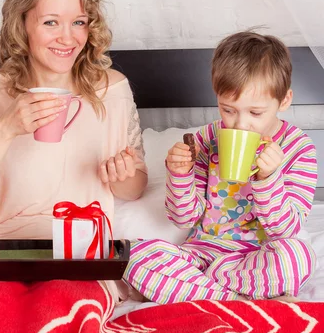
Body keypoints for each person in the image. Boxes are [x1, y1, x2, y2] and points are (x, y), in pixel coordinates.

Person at [0, 0, 147, 239]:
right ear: (21, 24)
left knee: (64, 286)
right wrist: (6, 129)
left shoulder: (112, 88)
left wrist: (121, 176)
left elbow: (134, 189)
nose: (68, 38)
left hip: (81, 251)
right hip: (3, 252)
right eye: (50, 22)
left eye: (79, 22)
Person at [125, 31, 317, 302]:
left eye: (255, 113)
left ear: (284, 100)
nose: (240, 124)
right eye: (228, 110)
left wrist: (268, 178)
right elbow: (184, 219)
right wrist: (179, 175)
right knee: (131, 255)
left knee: (297, 257)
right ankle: (237, 301)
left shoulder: (299, 148)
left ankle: (199, 291)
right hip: (201, 254)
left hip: (257, 258)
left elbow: (286, 230)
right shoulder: (206, 139)